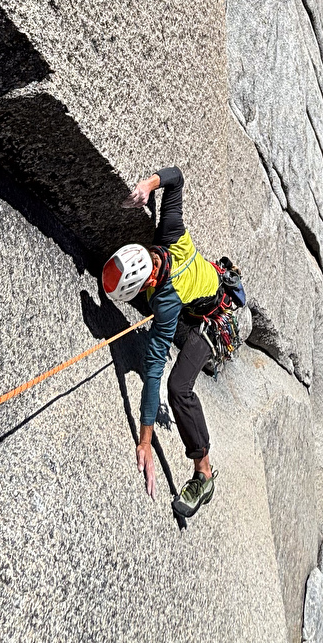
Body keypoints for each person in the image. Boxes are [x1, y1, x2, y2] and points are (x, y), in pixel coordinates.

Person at [102, 166, 221, 520]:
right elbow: (177, 178)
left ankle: (204, 474)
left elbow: (154, 370)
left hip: (212, 324)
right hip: (194, 305)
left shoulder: (165, 304)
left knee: (177, 387)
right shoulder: (169, 234)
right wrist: (148, 186)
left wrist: (144, 440)